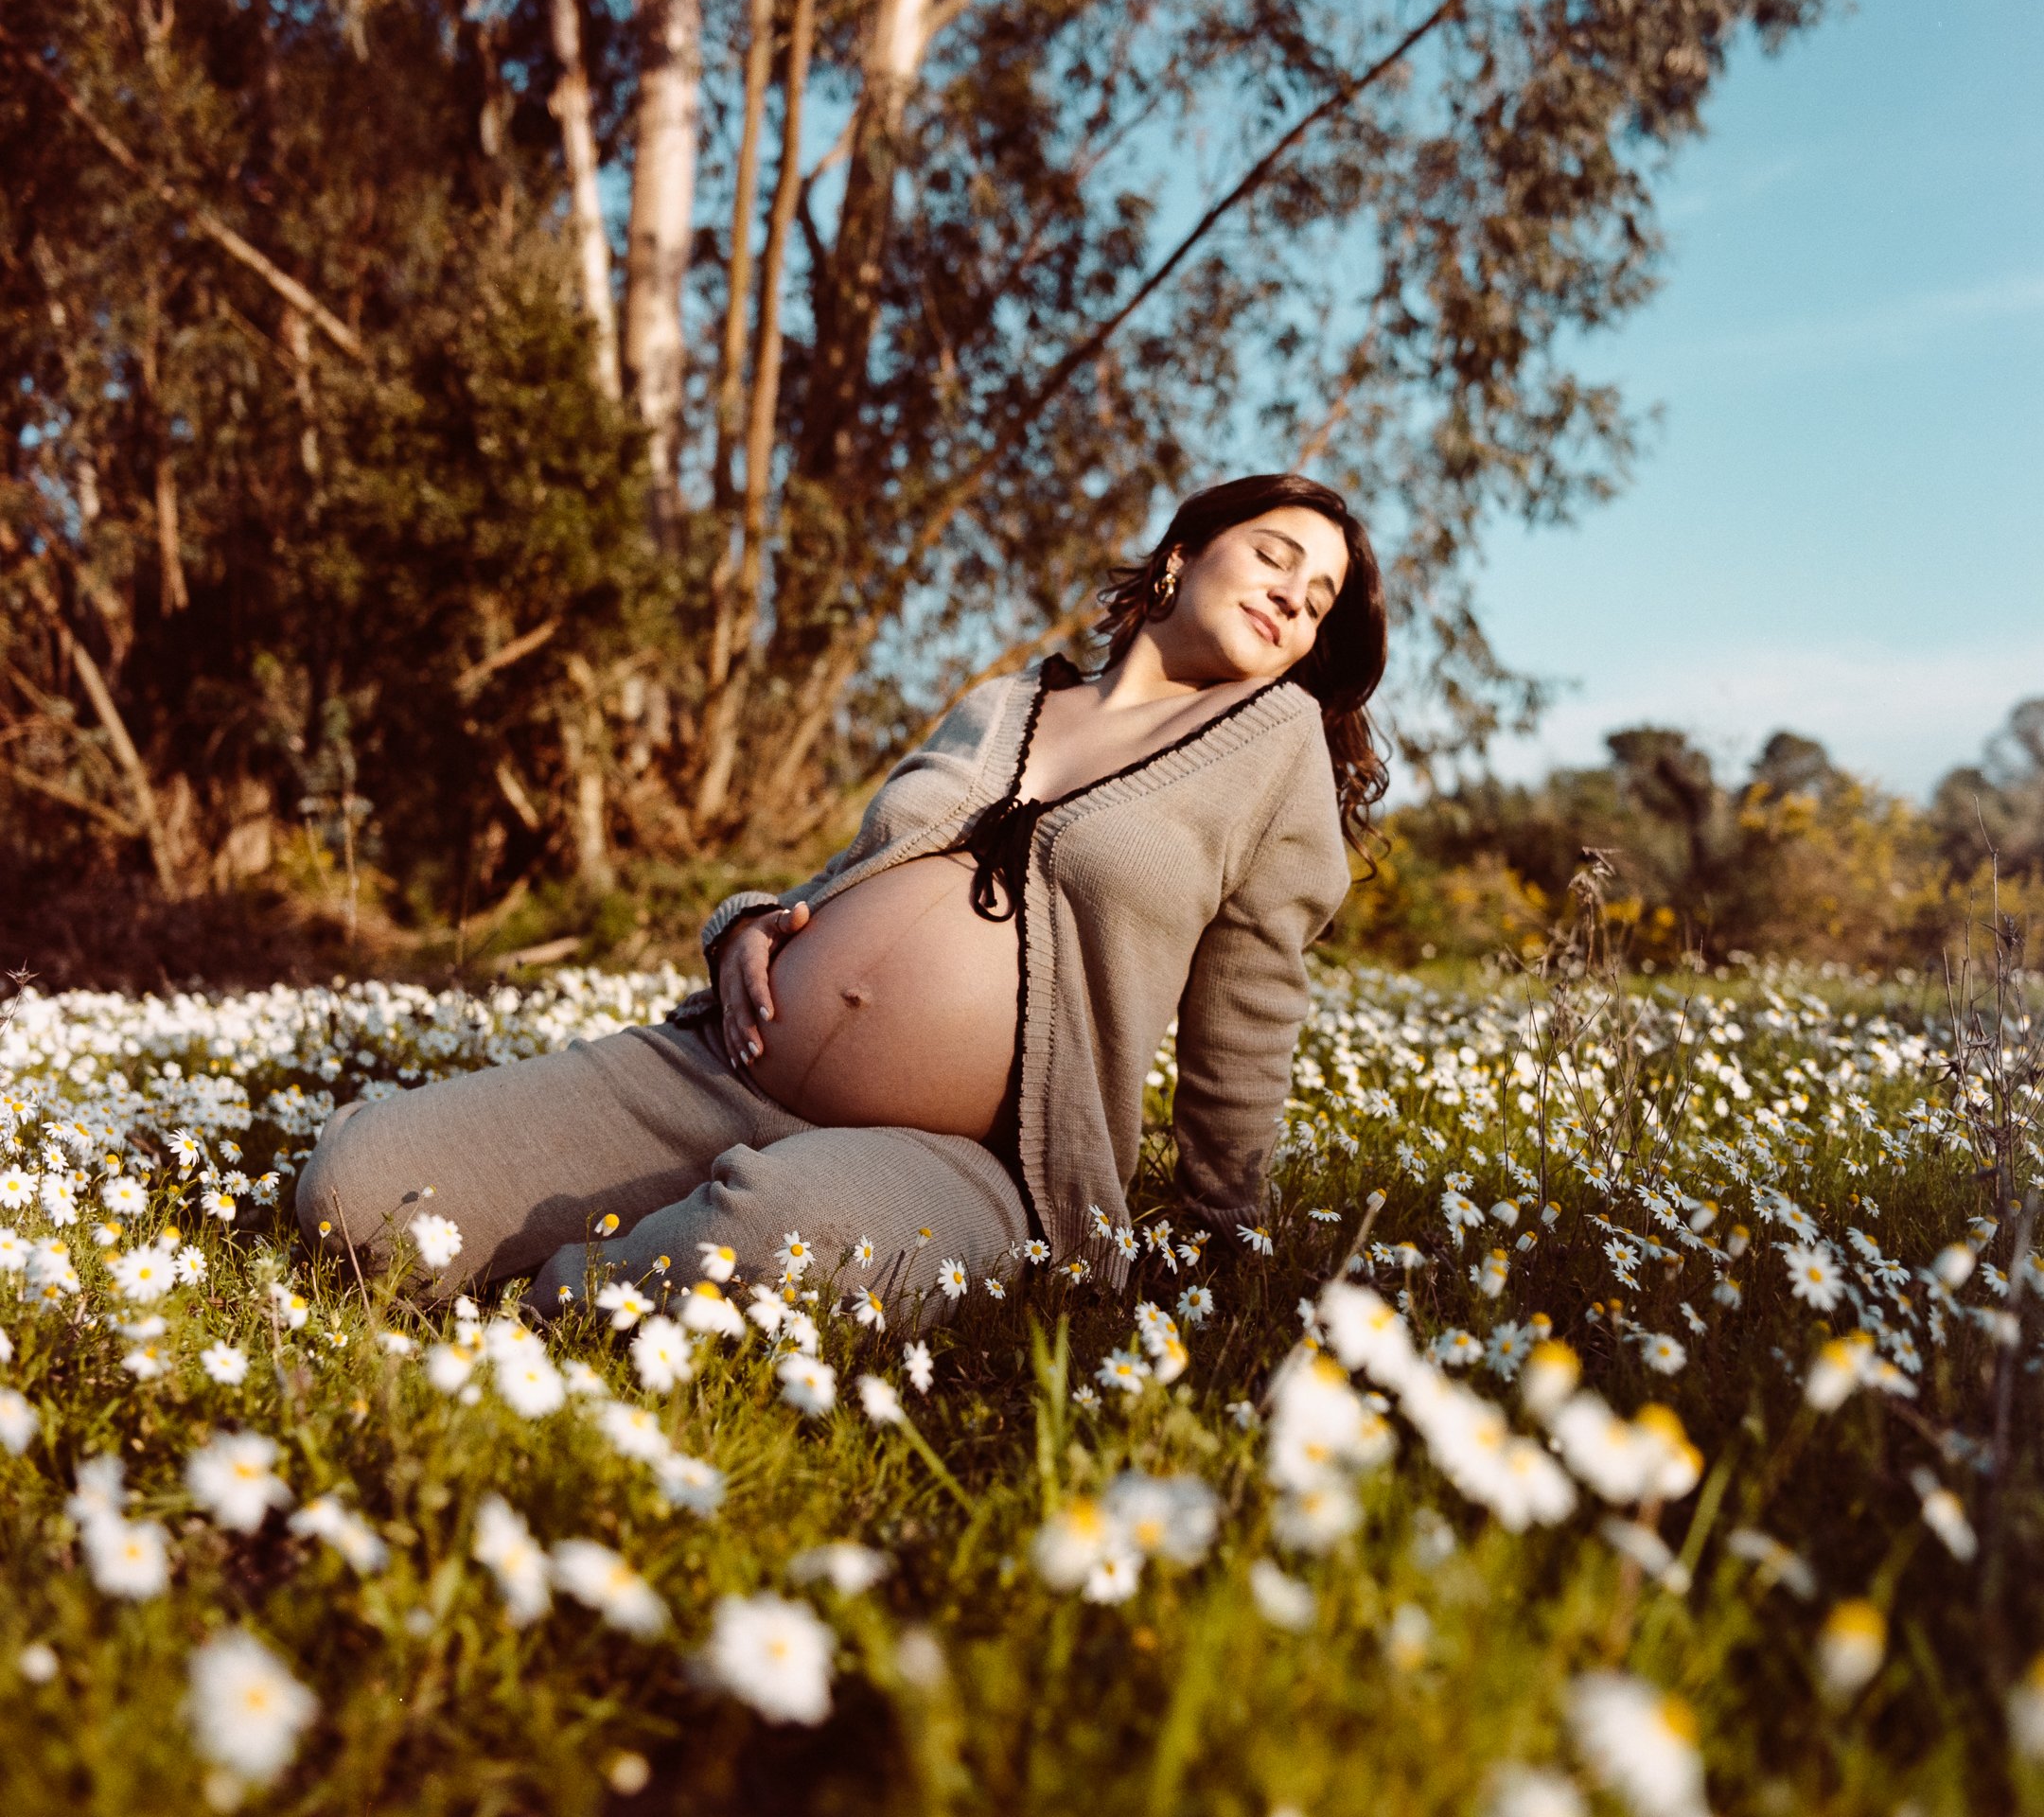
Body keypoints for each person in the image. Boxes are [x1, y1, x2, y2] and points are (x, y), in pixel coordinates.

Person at [296, 473, 1389, 1314]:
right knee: (358, 1191)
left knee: (776, 1245)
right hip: (723, 1066)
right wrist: (742, 929)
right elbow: (855, 877)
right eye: (1275, 556)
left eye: (1319, 598)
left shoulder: (1272, 744)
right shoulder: (1004, 700)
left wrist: (1227, 1236)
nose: (1296, 594)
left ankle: (575, 1287)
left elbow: (1252, 1009)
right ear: (1184, 555)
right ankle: (614, 1244)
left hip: (961, 1162)